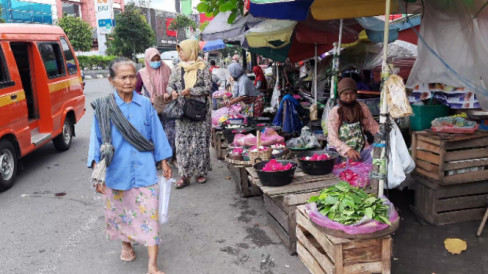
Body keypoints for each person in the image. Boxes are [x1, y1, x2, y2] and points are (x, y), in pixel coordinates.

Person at [87, 57, 173, 274]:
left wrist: (164, 161)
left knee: (150, 214)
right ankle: (126, 244)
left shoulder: (145, 104)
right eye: (122, 77)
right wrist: (98, 174)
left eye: (132, 76)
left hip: (144, 171)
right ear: (111, 80)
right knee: (121, 213)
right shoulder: (104, 107)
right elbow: (95, 140)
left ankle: (152, 265)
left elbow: (157, 134)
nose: (128, 81)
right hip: (117, 171)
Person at [167, 39, 212, 189]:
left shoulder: (203, 67)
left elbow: (208, 88)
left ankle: (201, 172)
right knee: (182, 143)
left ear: (191, 50)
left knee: (200, 141)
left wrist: (191, 91)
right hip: (182, 110)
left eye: (182, 50)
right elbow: (169, 85)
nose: (180, 53)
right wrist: (172, 92)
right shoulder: (177, 68)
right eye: (179, 50)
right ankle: (184, 175)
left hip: (199, 110)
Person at [136, 48, 176, 162]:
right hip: (151, 107)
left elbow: (174, 84)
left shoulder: (167, 69)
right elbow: (136, 90)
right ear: (147, 60)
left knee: (171, 132)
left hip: (168, 105)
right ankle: (158, 159)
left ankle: (170, 157)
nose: (156, 61)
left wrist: (169, 92)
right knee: (154, 133)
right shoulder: (142, 73)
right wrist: (147, 99)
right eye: (153, 59)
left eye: (158, 58)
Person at [327, 78, 379, 162]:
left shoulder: (362, 108)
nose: (349, 97)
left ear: (356, 93)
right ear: (340, 94)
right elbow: (332, 137)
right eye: (345, 94)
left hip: (362, 150)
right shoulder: (335, 112)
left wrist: (382, 135)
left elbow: (371, 125)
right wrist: (348, 150)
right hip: (341, 153)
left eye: (352, 93)